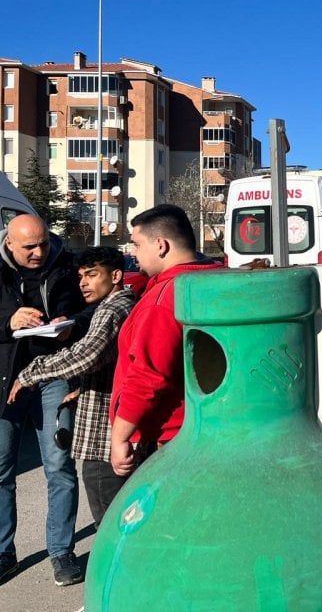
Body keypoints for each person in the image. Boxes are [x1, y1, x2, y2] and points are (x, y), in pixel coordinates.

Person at [8, 247, 135, 529]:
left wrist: (31, 373)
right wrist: (83, 389)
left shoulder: (113, 309)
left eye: (92, 275)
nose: (83, 283)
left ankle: (113, 573)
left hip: (104, 438)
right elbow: (113, 364)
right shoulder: (120, 305)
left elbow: (85, 355)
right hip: (110, 426)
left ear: (115, 276)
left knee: (112, 523)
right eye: (81, 277)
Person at [0, 215, 87, 586]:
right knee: (1, 470)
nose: (39, 252)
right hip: (6, 382)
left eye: (44, 244)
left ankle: (61, 552)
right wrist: (8, 320)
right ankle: (4, 552)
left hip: (53, 376)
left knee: (60, 466)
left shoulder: (67, 264)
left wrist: (73, 323)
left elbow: (93, 307)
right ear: (9, 245)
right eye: (30, 248)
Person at [110, 204, 218, 478]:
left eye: (136, 244)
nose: (133, 254)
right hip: (210, 427)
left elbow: (148, 375)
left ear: (160, 245)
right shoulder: (215, 279)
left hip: (171, 438)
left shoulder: (164, 298)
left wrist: (121, 437)